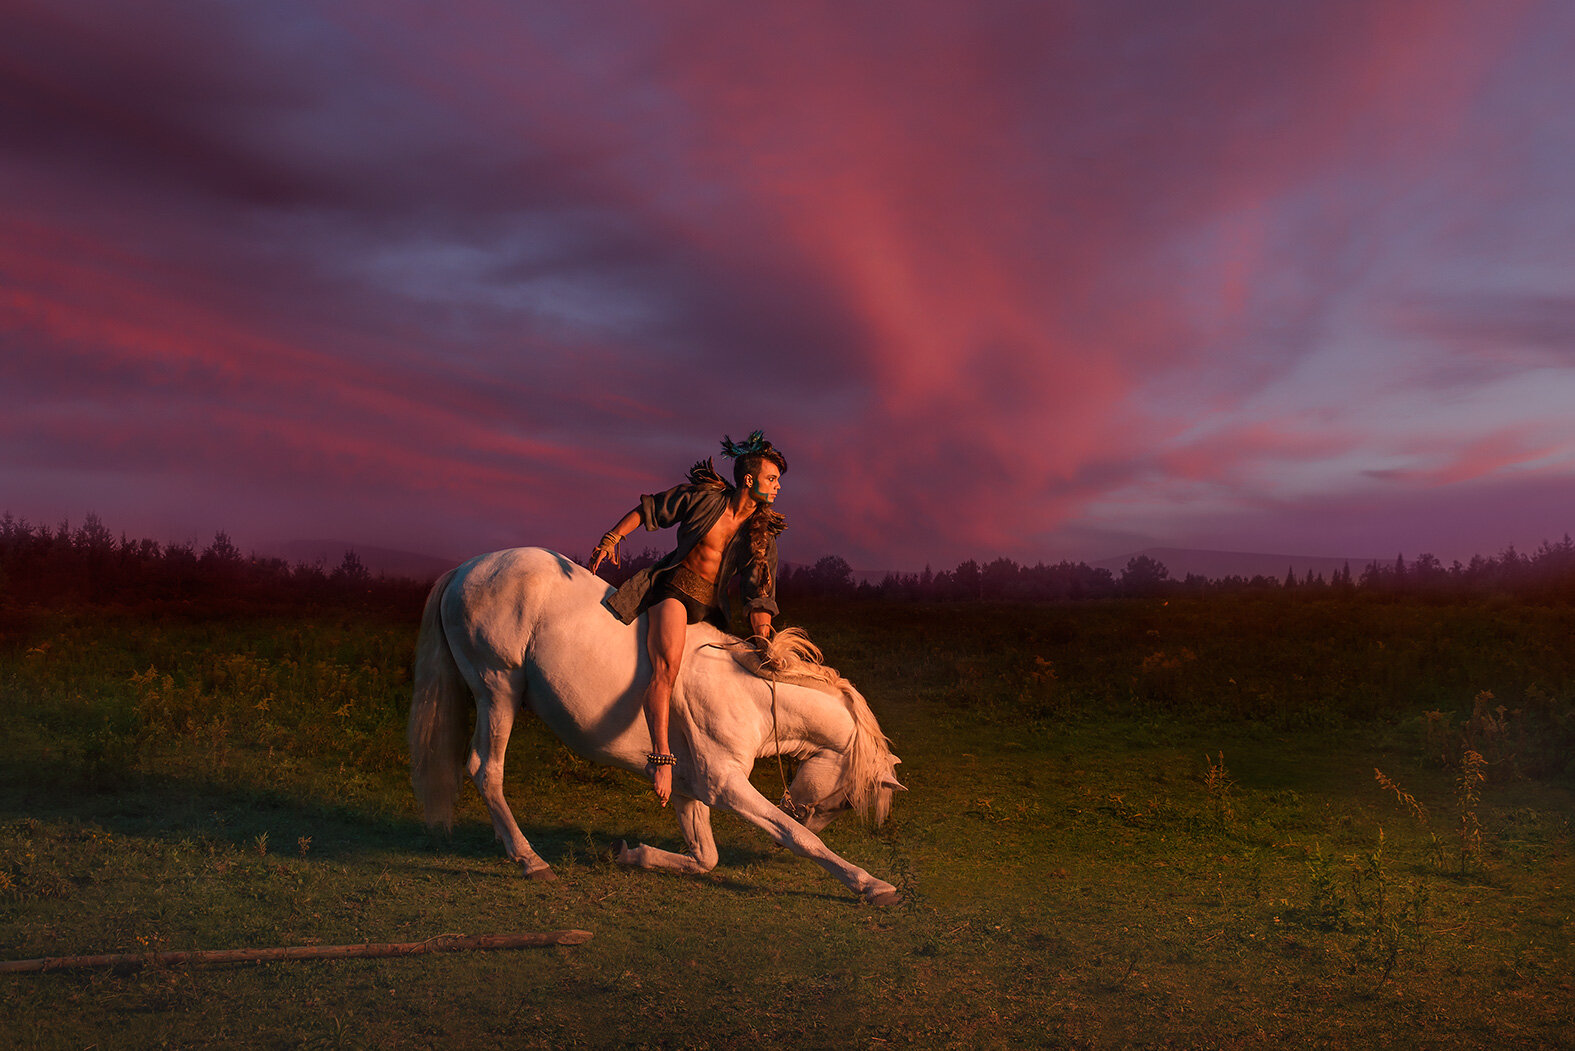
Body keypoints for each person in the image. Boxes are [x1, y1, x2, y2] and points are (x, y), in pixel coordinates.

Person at [589, 431, 787, 806]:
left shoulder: (761, 537)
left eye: (778, 481)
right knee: (668, 667)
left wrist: (764, 637)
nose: (777, 488)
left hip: (712, 609)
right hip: (674, 591)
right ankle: (660, 757)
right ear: (749, 479)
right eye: (771, 479)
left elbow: (758, 593)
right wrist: (611, 538)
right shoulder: (704, 499)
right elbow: (650, 509)